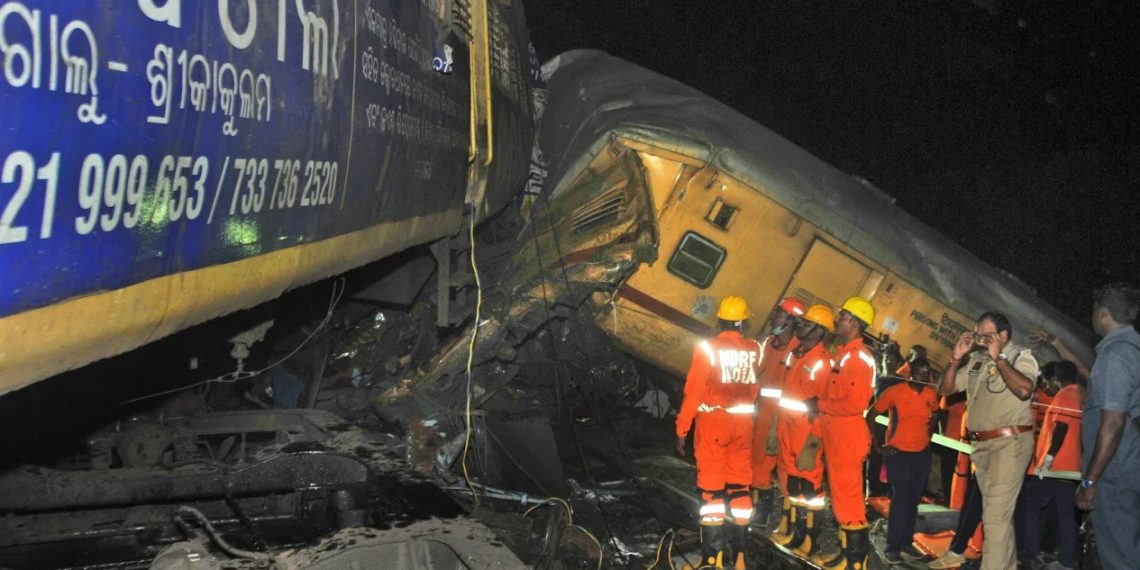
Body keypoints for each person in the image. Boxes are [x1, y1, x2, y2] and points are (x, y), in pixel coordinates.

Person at [938, 312, 1039, 570]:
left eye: (988, 336)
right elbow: (946, 390)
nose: (981, 341)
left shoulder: (1020, 357)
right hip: (982, 448)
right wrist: (955, 359)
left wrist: (1000, 359)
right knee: (999, 517)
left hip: (1010, 444)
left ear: (1003, 336)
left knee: (994, 517)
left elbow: (1025, 389)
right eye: (978, 336)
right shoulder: (976, 361)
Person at [674, 295, 763, 570]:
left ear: (720, 320)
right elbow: (754, 388)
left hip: (714, 423)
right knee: (739, 489)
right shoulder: (754, 349)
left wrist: (682, 429)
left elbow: (693, 392)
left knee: (712, 494)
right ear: (743, 322)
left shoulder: (708, 348)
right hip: (743, 424)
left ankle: (712, 561)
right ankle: (739, 559)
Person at [1076, 283, 1140, 570]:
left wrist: (1091, 481)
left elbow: (1113, 423)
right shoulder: (1133, 351)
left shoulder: (1116, 355)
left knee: (1119, 556)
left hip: (1115, 474)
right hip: (1130, 468)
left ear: (1103, 314)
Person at [812, 297, 877, 569]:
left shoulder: (858, 357)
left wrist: (820, 405)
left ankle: (856, 562)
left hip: (847, 437)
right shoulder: (846, 352)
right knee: (841, 499)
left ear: (853, 320)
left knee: (849, 501)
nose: (837, 320)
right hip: (838, 434)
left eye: (842, 315)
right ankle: (847, 556)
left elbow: (856, 403)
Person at [771, 305, 835, 559]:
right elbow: (787, 392)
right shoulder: (796, 353)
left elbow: (823, 405)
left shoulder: (823, 362)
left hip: (806, 432)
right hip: (788, 428)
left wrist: (814, 443)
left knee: (811, 491)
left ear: (819, 330)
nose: (801, 325)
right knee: (795, 486)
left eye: (807, 323)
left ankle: (812, 541)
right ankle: (797, 534)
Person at [868, 357, 940, 564]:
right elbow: (871, 414)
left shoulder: (930, 393)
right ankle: (893, 548)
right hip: (897, 453)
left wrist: (929, 433)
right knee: (900, 500)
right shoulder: (895, 392)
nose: (923, 376)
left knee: (913, 500)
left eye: (927, 373)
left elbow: (936, 412)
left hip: (921, 454)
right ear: (910, 373)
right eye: (919, 372)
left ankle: (906, 542)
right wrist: (878, 445)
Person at [1018, 361, 1082, 570]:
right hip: (1068, 467)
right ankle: (1066, 560)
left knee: (1031, 505)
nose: (1047, 387)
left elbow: (1061, 428)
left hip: (1056, 467)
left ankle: (1031, 554)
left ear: (1056, 379)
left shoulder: (1066, 395)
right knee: (1066, 515)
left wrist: (1048, 459)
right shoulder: (1078, 394)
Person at [750, 297, 806, 528]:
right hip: (760, 409)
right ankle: (754, 510)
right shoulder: (770, 342)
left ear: (792, 321)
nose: (775, 316)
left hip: (778, 417)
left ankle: (764, 514)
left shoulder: (796, 351)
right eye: (777, 312)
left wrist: (775, 424)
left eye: (781, 314)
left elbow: (791, 390)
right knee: (754, 460)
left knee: (767, 464)